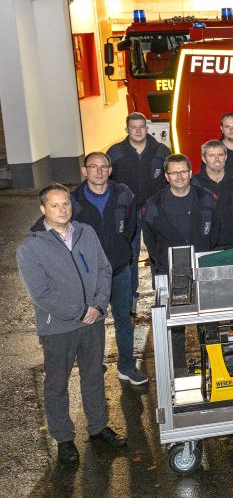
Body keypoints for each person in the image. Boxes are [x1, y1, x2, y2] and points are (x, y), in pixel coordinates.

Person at [17, 184, 127, 463]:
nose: (62, 210)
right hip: (59, 328)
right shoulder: (31, 247)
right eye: (55, 205)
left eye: (65, 203)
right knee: (56, 385)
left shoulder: (86, 233)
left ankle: (98, 427)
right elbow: (40, 293)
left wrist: (99, 305)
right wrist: (80, 312)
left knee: (93, 376)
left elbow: (104, 269)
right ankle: (64, 438)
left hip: (93, 320)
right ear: (43, 209)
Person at [70, 152, 147, 385]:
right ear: (84, 170)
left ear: (110, 170)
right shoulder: (73, 200)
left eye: (104, 166)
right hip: (89, 276)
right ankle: (94, 366)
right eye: (93, 167)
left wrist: (125, 257)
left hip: (119, 270)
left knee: (124, 318)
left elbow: (132, 229)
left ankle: (126, 366)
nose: (99, 171)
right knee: (93, 321)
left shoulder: (124, 194)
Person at [142, 154, 219, 373]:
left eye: (183, 171)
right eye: (174, 172)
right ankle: (179, 370)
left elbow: (214, 232)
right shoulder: (154, 204)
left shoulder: (206, 198)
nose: (179, 176)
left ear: (190, 172)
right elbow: (150, 239)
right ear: (166, 176)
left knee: (208, 321)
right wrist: (164, 262)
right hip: (172, 272)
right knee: (176, 326)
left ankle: (212, 365)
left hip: (201, 270)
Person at [107, 112, 170, 310]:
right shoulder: (115, 152)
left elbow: (168, 181)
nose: (138, 131)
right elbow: (109, 182)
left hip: (154, 212)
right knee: (130, 255)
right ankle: (131, 297)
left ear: (147, 128)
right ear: (126, 129)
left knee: (158, 253)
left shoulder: (162, 151)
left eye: (141, 126)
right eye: (133, 127)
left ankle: (161, 293)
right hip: (126, 213)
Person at [192, 139, 233, 249]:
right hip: (207, 246)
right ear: (204, 159)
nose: (217, 159)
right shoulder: (194, 184)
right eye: (211, 155)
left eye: (220, 154)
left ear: (226, 157)